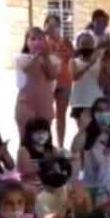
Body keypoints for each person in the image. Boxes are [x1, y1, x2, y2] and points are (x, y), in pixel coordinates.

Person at [70, 97, 110, 200]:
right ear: (93, 114)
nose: (103, 114)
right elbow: (76, 162)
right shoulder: (82, 137)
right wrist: (79, 182)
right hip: (88, 185)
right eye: (99, 110)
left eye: (107, 110)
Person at [15, 26, 59, 142]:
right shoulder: (21, 58)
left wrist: (46, 57)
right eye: (33, 39)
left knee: (43, 139)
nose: (37, 42)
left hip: (45, 103)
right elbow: (27, 69)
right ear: (27, 41)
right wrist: (38, 55)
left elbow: (53, 75)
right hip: (25, 102)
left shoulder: (52, 59)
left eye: (40, 39)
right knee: (25, 137)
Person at [45, 15, 75, 147]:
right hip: (48, 83)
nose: (53, 28)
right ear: (45, 26)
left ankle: (60, 145)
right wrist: (44, 35)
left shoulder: (64, 42)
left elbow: (73, 58)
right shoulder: (43, 41)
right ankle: (46, 145)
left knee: (61, 116)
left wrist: (69, 45)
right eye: (50, 25)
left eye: (56, 25)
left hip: (65, 82)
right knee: (47, 114)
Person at [69, 32, 105, 132]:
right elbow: (75, 77)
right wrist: (90, 64)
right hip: (79, 101)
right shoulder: (73, 62)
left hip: (95, 100)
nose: (86, 47)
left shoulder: (99, 62)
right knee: (82, 132)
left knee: (96, 130)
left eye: (89, 44)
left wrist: (104, 68)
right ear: (78, 46)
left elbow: (103, 82)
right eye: (83, 44)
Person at [85, 9, 110, 100]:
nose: (101, 24)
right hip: (89, 77)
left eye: (105, 22)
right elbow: (80, 57)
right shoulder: (85, 36)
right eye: (98, 21)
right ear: (93, 21)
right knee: (89, 105)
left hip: (105, 78)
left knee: (105, 105)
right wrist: (98, 47)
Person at [16, 116, 55, 189]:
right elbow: (25, 172)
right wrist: (45, 169)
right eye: (38, 132)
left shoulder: (51, 149)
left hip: (48, 186)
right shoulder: (24, 150)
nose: (41, 135)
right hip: (30, 187)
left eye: (44, 132)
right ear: (29, 134)